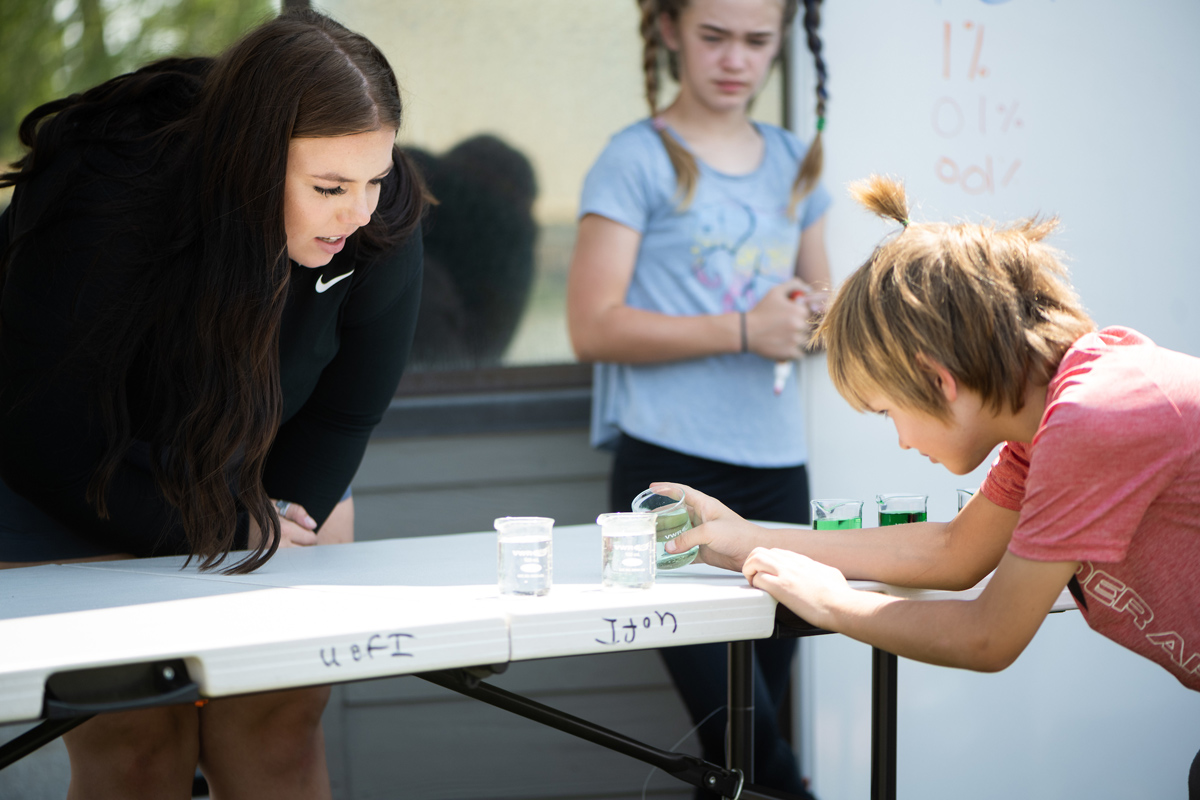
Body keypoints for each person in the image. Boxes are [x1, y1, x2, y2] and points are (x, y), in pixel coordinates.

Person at [0, 9, 425, 798]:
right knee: (138, 740)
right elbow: (44, 433)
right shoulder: (109, 189)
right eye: (329, 187)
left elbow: (344, 411)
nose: (359, 213)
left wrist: (275, 517)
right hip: (70, 462)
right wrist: (231, 529)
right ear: (250, 162)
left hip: (253, 460)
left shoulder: (376, 213)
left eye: (376, 177)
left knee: (276, 727)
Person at [664, 174, 1200, 797]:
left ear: (937, 380)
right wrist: (748, 539)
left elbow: (989, 635)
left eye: (889, 411)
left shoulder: (1094, 417)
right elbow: (955, 551)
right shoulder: (1050, 417)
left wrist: (832, 602)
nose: (901, 440)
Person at [566, 0, 830, 793]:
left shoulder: (797, 159)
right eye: (714, 37)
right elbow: (592, 326)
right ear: (670, 29)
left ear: (782, 44)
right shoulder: (635, 159)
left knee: (751, 741)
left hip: (780, 476)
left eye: (757, 42)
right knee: (753, 754)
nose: (735, 60)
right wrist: (745, 330)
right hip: (671, 475)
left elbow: (823, 310)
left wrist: (809, 319)